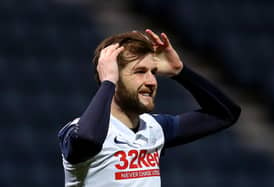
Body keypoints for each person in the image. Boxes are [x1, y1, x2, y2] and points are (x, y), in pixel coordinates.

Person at [58, 29, 241, 187]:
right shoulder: (77, 132)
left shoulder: (154, 128)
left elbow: (225, 114)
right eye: (140, 72)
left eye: (153, 72)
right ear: (113, 75)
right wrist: (108, 82)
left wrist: (180, 71)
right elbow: (88, 139)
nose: (152, 81)